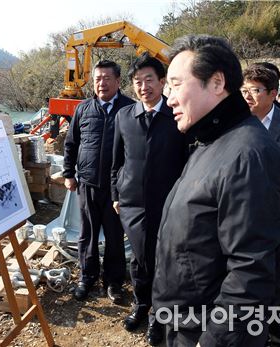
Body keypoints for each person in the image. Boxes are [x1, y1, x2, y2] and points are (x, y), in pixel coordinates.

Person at [152, 35, 280, 347]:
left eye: (176, 85)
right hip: (182, 323)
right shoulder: (209, 142)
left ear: (216, 82)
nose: (169, 98)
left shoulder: (248, 155)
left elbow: (251, 272)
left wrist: (214, 340)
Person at [110, 53, 186, 345]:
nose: (144, 87)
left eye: (149, 80)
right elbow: (116, 162)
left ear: (163, 82)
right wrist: (116, 195)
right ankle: (141, 304)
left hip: (168, 204)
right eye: (138, 82)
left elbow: (189, 160)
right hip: (131, 204)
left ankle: (159, 315)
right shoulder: (124, 116)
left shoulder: (176, 114)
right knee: (139, 259)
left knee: (161, 260)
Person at [63, 60, 134, 303]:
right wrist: (68, 174)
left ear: (117, 81)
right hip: (88, 184)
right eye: (97, 79)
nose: (101, 83)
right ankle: (87, 276)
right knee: (87, 234)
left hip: (117, 189)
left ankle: (113, 283)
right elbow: (71, 143)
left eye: (106, 78)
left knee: (115, 236)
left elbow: (135, 150)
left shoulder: (130, 109)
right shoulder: (83, 109)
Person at [242, 64, 280, 148]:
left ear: (273, 94)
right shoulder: (233, 122)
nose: (247, 96)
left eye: (254, 90)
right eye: (244, 91)